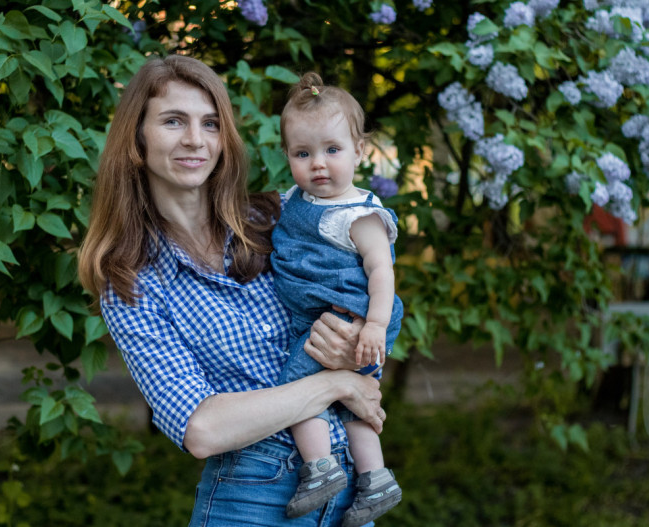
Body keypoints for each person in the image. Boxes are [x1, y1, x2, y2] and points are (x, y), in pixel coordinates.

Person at [77, 54, 388, 526]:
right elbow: (201, 428)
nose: (194, 139)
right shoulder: (130, 280)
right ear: (137, 139)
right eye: (173, 121)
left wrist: (358, 338)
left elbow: (368, 285)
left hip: (353, 490)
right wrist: (336, 383)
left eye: (210, 123)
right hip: (253, 497)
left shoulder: (278, 218)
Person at [271, 72, 404, 527]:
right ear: (288, 155)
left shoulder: (359, 215)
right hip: (320, 318)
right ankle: (376, 478)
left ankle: (320, 469)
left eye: (333, 150)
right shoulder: (296, 199)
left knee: (295, 390)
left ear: (359, 150)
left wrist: (375, 326)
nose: (318, 164)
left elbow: (382, 271)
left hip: (349, 321)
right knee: (351, 404)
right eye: (302, 153)